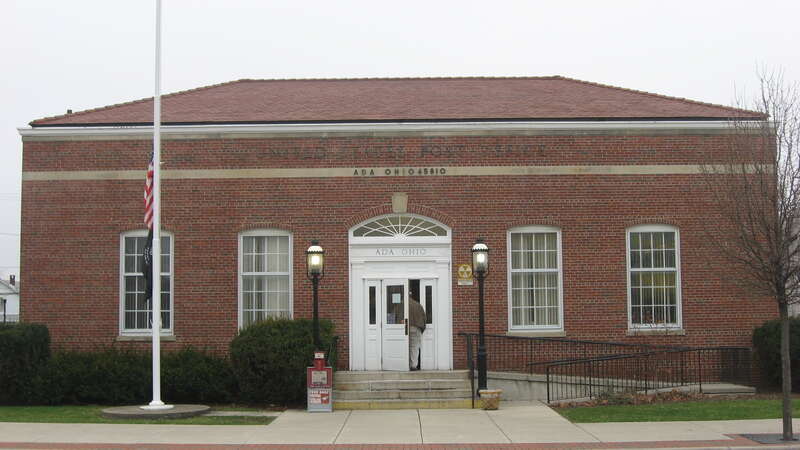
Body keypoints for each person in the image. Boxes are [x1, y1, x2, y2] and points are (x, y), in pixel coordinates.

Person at [408, 292, 426, 370]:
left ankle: (404, 364)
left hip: (404, 328)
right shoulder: (418, 305)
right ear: (411, 296)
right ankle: (413, 365)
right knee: (414, 347)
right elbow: (424, 318)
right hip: (416, 328)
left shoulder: (402, 305)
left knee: (403, 346)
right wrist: (422, 329)